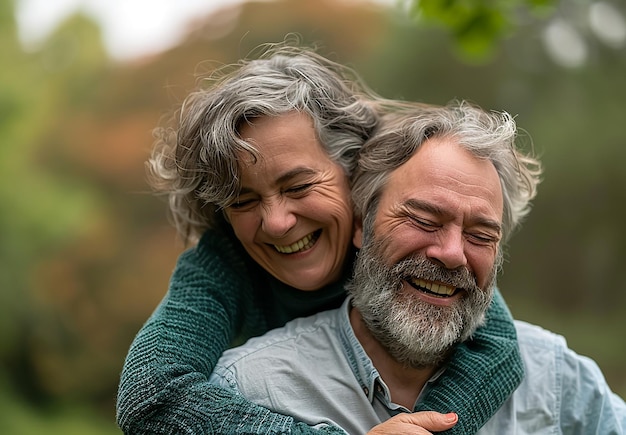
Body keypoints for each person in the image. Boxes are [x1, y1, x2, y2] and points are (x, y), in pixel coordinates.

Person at [116, 43, 523, 434]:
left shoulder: (404, 246)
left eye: (298, 187)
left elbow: (498, 349)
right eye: (243, 200)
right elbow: (151, 392)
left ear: (355, 175)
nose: (276, 222)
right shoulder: (223, 262)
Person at [209, 101, 626, 434]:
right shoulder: (251, 388)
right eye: (424, 220)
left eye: (481, 235)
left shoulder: (557, 380)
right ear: (361, 224)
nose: (451, 253)